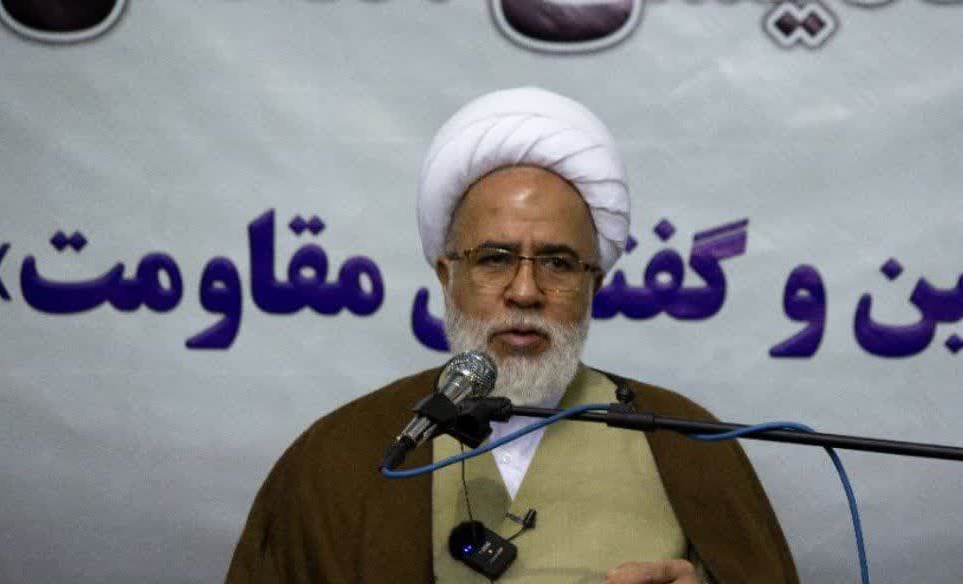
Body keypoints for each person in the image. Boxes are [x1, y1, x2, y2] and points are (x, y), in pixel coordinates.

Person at [225, 87, 797, 583]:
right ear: (448, 276)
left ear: (594, 284)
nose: (525, 292)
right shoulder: (342, 453)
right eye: (495, 259)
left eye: (558, 263)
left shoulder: (686, 444)